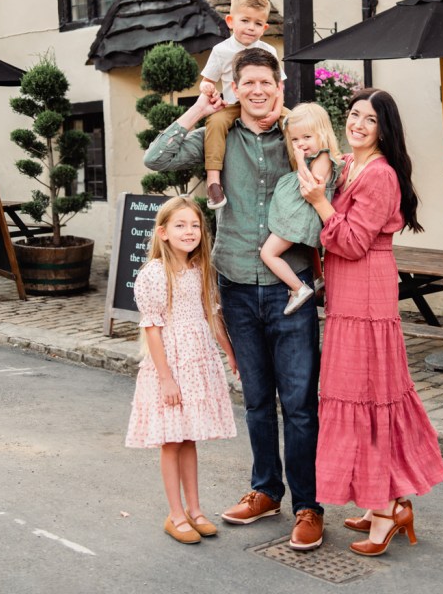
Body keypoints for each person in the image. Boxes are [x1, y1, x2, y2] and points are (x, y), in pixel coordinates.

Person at [144, 47, 325, 552]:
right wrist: (201, 107)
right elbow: (156, 157)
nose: (258, 91)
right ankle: (266, 489)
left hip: (295, 287)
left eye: (267, 83)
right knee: (257, 400)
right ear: (237, 88)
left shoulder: (300, 136)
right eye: (249, 84)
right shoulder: (215, 137)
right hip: (237, 285)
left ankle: (308, 504)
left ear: (279, 86)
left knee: (300, 404)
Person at [299, 88, 443, 557]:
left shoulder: (379, 175)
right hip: (348, 293)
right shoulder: (349, 165)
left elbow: (352, 242)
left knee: (369, 393)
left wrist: (322, 203)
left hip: (365, 290)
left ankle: (385, 514)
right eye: (354, 114)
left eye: (371, 119)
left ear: (385, 129)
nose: (359, 124)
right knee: (358, 392)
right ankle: (384, 498)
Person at [125, 196, 238, 545]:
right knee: (172, 440)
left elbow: (212, 316)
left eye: (194, 225)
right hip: (171, 365)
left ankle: (196, 508)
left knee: (189, 437)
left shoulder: (201, 269)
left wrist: (231, 355)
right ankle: (175, 514)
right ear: (163, 232)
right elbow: (152, 327)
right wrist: (166, 378)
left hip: (198, 361)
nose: (189, 232)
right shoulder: (154, 274)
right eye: (180, 225)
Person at [199, 0, 285, 210]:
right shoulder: (221, 51)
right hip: (233, 105)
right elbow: (206, 81)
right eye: (245, 20)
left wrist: (276, 111)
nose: (250, 27)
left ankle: (303, 173)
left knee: (295, 120)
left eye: (257, 24)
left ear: (265, 27)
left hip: (266, 104)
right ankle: (213, 182)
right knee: (215, 123)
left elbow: (279, 85)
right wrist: (208, 88)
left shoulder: (268, 51)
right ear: (230, 21)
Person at [260, 102, 342, 315]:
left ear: (321, 134)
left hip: (299, 218)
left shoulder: (323, 157)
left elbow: (311, 184)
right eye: (295, 139)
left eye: (307, 137)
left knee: (268, 254)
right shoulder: (317, 157)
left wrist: (299, 160)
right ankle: (318, 279)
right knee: (310, 249)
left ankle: (298, 288)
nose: (301, 144)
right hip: (299, 215)